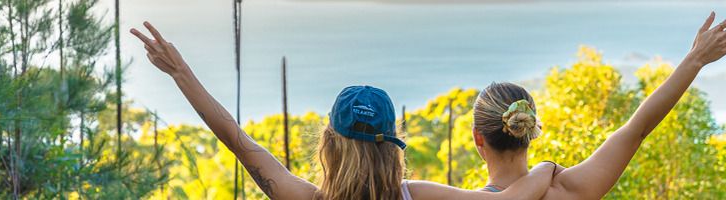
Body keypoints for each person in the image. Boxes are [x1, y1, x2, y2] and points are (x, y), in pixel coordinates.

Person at [129, 22, 557, 200]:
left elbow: (234, 137)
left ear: (329, 145)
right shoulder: (416, 195)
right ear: (393, 146)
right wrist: (545, 168)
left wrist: (179, 72)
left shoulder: (301, 197)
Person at [469, 11, 726, 199]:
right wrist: (695, 59)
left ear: (477, 137)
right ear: (529, 129)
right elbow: (637, 128)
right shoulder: (571, 190)